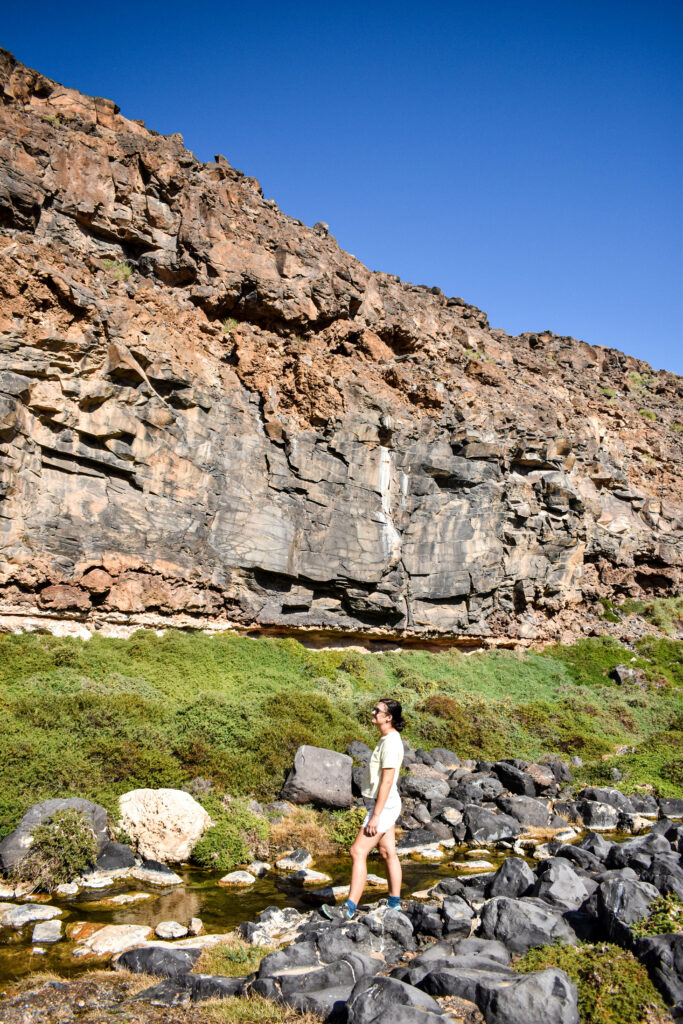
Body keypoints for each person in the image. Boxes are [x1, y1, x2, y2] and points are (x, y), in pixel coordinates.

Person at [322, 698, 405, 920]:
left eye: (377, 710)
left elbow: (387, 781)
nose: (373, 712)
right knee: (388, 852)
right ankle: (394, 905)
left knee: (357, 851)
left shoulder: (391, 743)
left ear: (388, 717)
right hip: (381, 803)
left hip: (383, 805)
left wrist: (375, 816)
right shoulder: (386, 738)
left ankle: (348, 909)